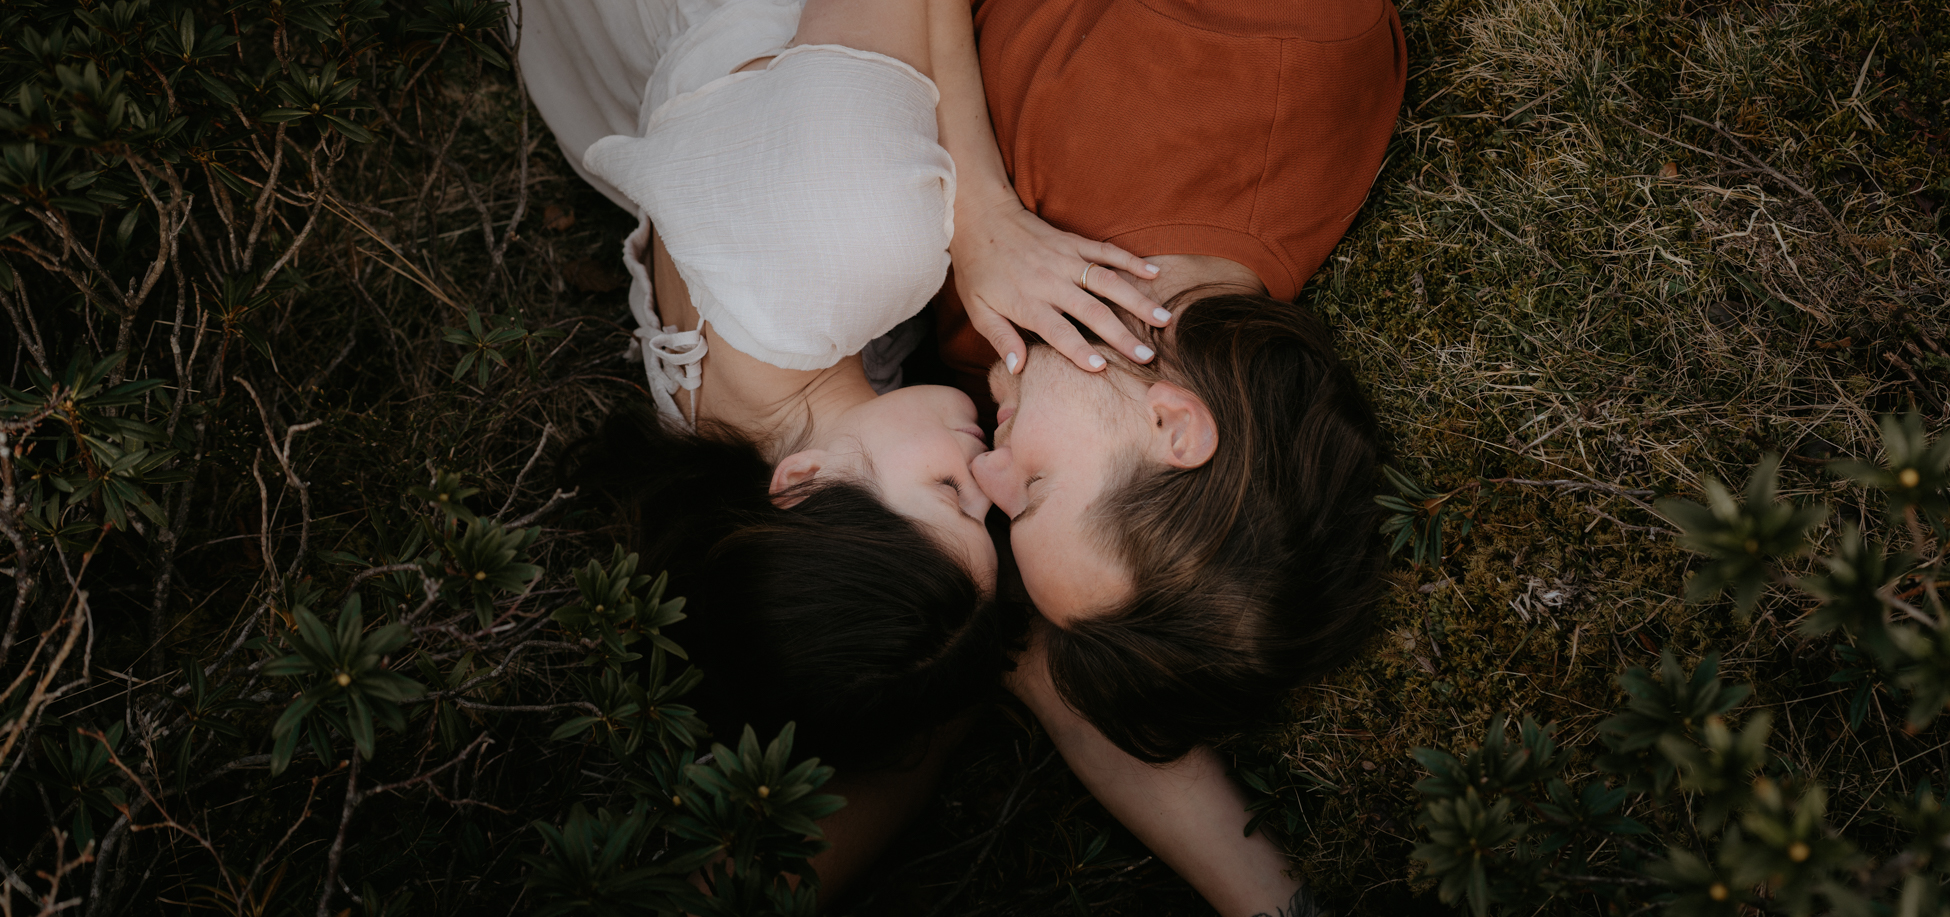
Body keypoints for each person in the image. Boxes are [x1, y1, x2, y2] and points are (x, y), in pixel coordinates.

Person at [523, 0, 1009, 775]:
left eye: (954, 494)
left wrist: (992, 222)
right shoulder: (713, 434)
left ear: (805, 483)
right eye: (991, 516)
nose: (992, 476)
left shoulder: (858, 248)